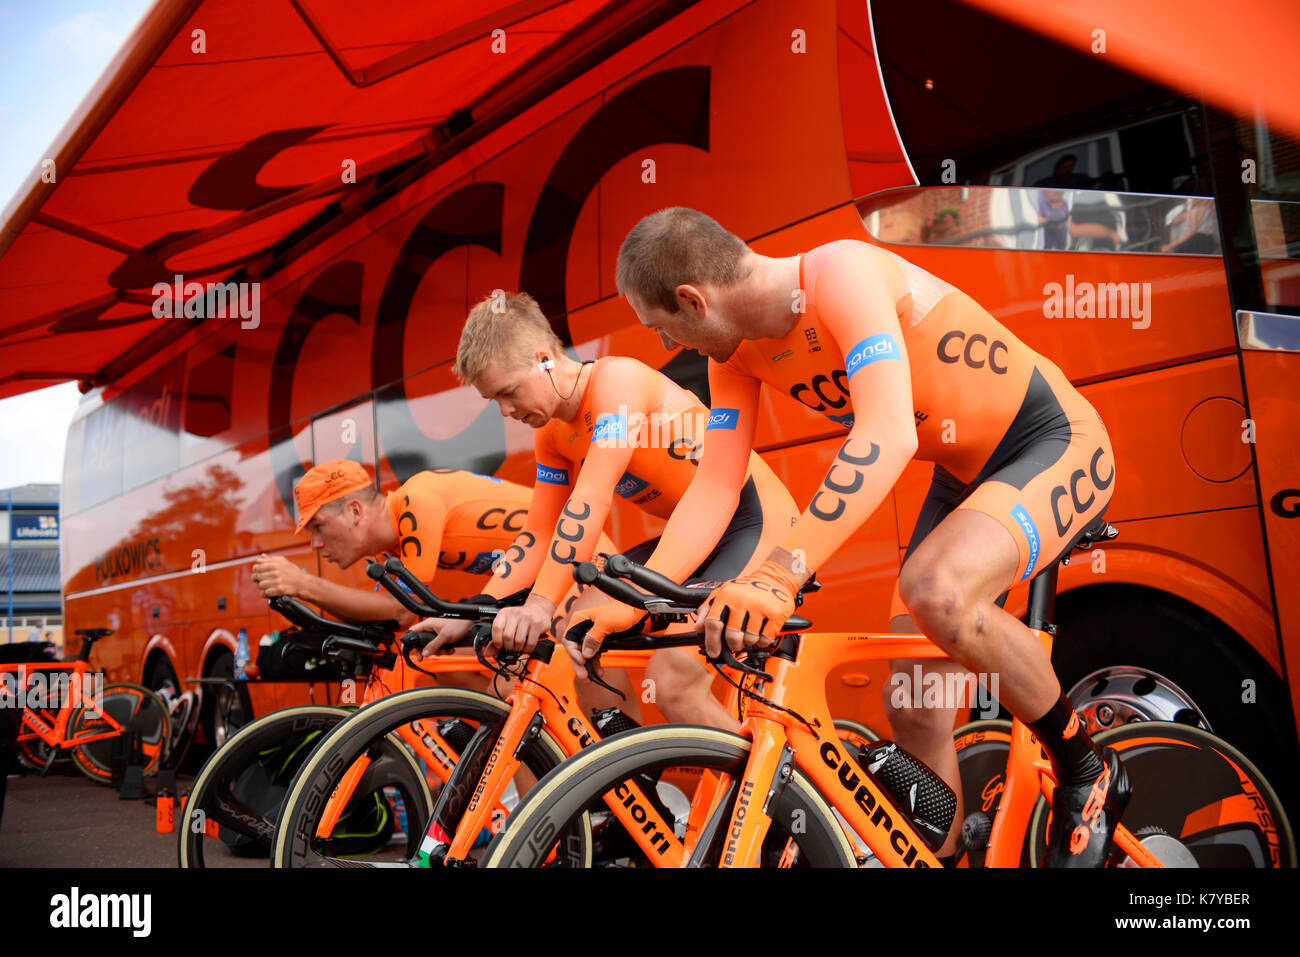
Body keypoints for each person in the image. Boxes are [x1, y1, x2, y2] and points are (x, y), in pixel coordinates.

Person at [613, 207, 1127, 868]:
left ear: (694, 300)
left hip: (1052, 438)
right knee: (911, 704)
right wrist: (630, 597)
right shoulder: (734, 354)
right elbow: (715, 487)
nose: (666, 346)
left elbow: (886, 434)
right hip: (965, 472)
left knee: (936, 590)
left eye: (661, 328)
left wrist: (777, 572)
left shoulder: (840, 275)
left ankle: (1086, 765)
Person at [409, 291, 799, 727]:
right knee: (580, 626)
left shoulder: (618, 382)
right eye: (494, 401)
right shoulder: (553, 436)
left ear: (543, 359)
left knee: (671, 681)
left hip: (757, 522)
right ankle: (629, 782)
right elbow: (539, 532)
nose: (506, 411)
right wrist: (473, 611)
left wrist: (538, 606)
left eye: (509, 392)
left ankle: (778, 796)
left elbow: (590, 498)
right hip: (698, 538)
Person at [252, 461, 608, 689]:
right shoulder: (391, 545)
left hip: (581, 560)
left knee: (512, 698)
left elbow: (403, 610)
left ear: (354, 511)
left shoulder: (414, 504)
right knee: (440, 660)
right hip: (542, 580)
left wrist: (304, 584)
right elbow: (393, 619)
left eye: (318, 526)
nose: (314, 543)